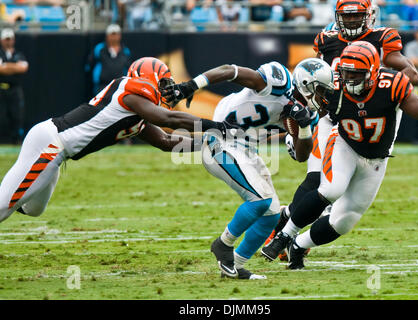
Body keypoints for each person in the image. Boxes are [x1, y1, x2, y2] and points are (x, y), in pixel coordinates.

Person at [262, 42, 418, 269]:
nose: (348, 78)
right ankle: (285, 235)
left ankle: (299, 245)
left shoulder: (391, 86)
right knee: (331, 189)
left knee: (344, 221)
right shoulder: (334, 87)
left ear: (372, 74)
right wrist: (298, 136)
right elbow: (310, 110)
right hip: (344, 144)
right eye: (345, 72)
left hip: (376, 160)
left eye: (355, 74)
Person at [0, 57, 239, 224]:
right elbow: (168, 118)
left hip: (57, 150)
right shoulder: (130, 91)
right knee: (4, 207)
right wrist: (217, 126)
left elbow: (166, 141)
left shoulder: (136, 114)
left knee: (33, 209)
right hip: (50, 144)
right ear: (149, 78)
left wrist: (208, 141)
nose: (168, 91)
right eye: (164, 84)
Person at [162, 58, 335, 279]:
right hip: (220, 138)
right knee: (259, 200)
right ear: (305, 84)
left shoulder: (309, 115)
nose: (324, 97)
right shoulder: (278, 81)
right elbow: (228, 70)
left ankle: (235, 265)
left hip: (246, 148)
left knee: (272, 214)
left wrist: (302, 127)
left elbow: (302, 156)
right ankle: (223, 244)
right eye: (321, 91)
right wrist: (190, 86)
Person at [0, 28, 28, 145]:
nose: (8, 42)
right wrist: (14, 67)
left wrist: (6, 66)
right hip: (2, 88)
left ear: (13, 40)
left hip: (15, 89)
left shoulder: (19, 54)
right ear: (2, 40)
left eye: (10, 39)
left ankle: (16, 140)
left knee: (17, 115)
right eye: (6, 39)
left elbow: (23, 68)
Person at [86, 24, 132, 96]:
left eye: (116, 34)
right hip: (102, 86)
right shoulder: (99, 49)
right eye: (112, 34)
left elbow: (129, 67)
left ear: (120, 36)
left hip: (120, 87)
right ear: (107, 36)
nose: (114, 37)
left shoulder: (126, 51)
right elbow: (89, 65)